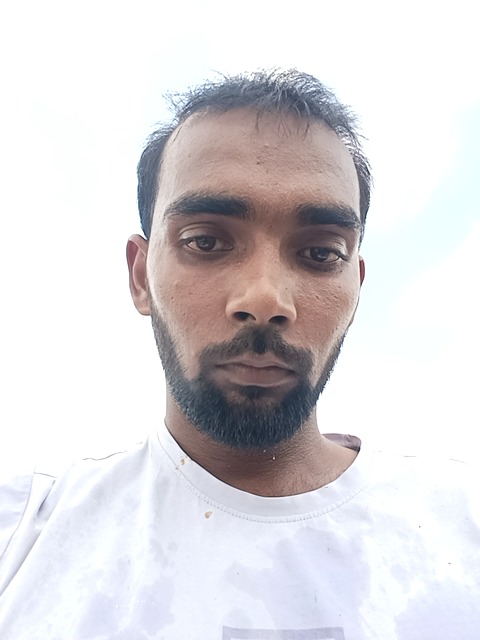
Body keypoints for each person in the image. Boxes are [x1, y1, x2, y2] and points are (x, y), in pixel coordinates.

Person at [0, 70, 478, 639]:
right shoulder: (23, 533)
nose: (264, 299)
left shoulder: (463, 523)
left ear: (356, 287)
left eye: (320, 253)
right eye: (205, 241)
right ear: (141, 277)